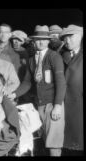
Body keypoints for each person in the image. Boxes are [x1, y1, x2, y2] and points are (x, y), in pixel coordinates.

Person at [28, 25, 66, 156]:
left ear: (48, 41)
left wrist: (57, 106)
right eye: (37, 39)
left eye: (43, 39)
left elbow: (61, 83)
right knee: (44, 141)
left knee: (54, 144)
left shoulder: (54, 56)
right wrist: (13, 93)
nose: (40, 42)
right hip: (39, 105)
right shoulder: (31, 60)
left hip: (52, 105)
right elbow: (27, 82)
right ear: (33, 41)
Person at [59, 25, 83, 155]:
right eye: (65, 38)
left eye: (70, 37)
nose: (67, 40)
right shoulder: (62, 55)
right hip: (64, 103)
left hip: (79, 103)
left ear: (80, 37)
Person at [8, 30, 32, 104]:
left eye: (19, 40)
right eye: (14, 40)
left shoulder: (26, 53)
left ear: (23, 42)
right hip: (10, 84)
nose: (15, 42)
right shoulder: (8, 52)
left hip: (23, 84)